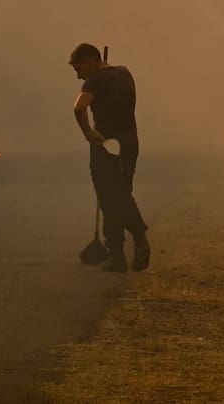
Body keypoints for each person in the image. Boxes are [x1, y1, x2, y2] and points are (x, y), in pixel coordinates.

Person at [69, 43, 150, 273]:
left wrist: (88, 132)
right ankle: (135, 244)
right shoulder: (125, 74)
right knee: (123, 192)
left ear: (90, 61)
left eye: (79, 69)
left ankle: (120, 252)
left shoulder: (94, 81)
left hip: (105, 144)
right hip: (130, 143)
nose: (78, 76)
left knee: (109, 198)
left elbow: (78, 108)